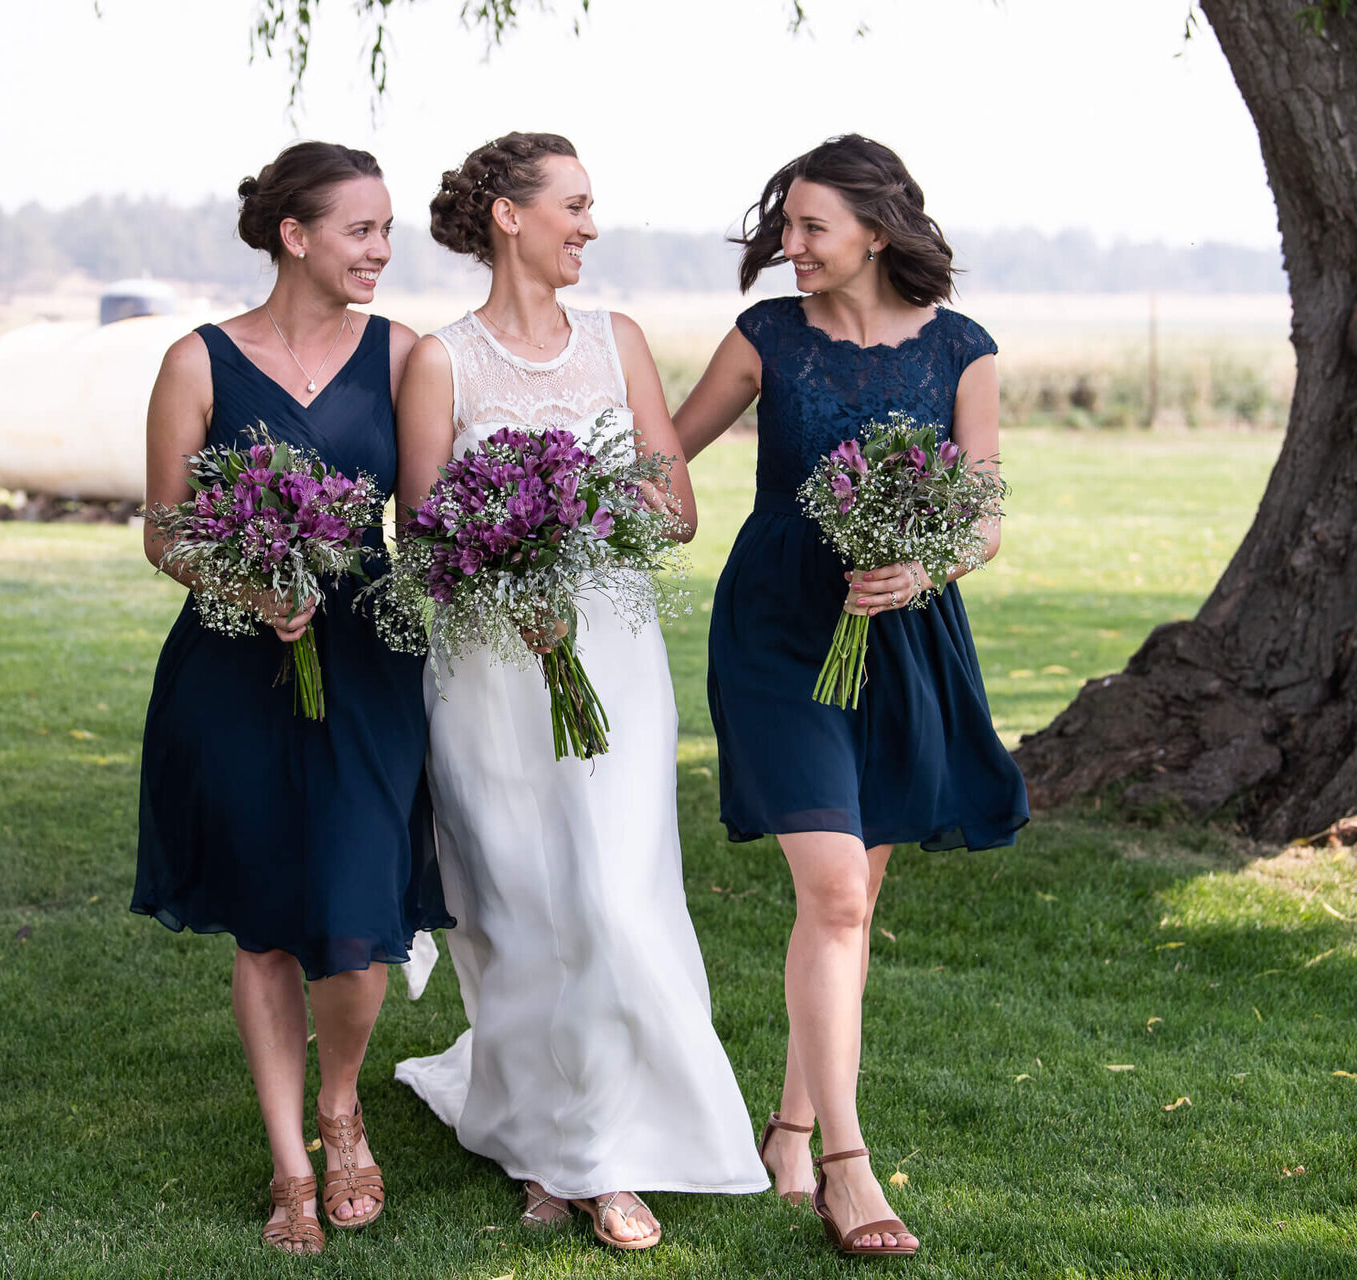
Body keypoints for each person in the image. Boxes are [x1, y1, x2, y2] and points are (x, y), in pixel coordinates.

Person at [391, 131, 768, 1251]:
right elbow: (420, 542)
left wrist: (570, 522)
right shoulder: (439, 361)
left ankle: (601, 1154)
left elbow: (677, 506)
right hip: (488, 668)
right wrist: (506, 569)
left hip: (606, 648)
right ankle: (538, 1138)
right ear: (509, 214)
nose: (591, 226)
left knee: (610, 896)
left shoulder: (619, 341)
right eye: (575, 204)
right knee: (512, 909)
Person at [673, 133, 1030, 1259]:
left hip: (900, 631)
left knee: (846, 906)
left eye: (810, 227)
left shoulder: (961, 349)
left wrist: (928, 564)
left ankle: (786, 1123)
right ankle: (846, 1161)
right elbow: (665, 451)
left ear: (876, 229)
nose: (789, 246)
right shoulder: (766, 337)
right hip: (777, 628)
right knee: (831, 891)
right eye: (783, 226)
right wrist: (532, 512)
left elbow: (979, 507)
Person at [131, 141, 452, 1257]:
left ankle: (341, 1101)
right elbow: (164, 528)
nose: (382, 248)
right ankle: (289, 1165)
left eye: (385, 230)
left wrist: (518, 563)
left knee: (358, 923)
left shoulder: (405, 354)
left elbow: (424, 524)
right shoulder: (198, 362)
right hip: (232, 667)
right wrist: (244, 581)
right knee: (267, 921)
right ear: (295, 235)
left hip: (367, 663)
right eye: (361, 229)